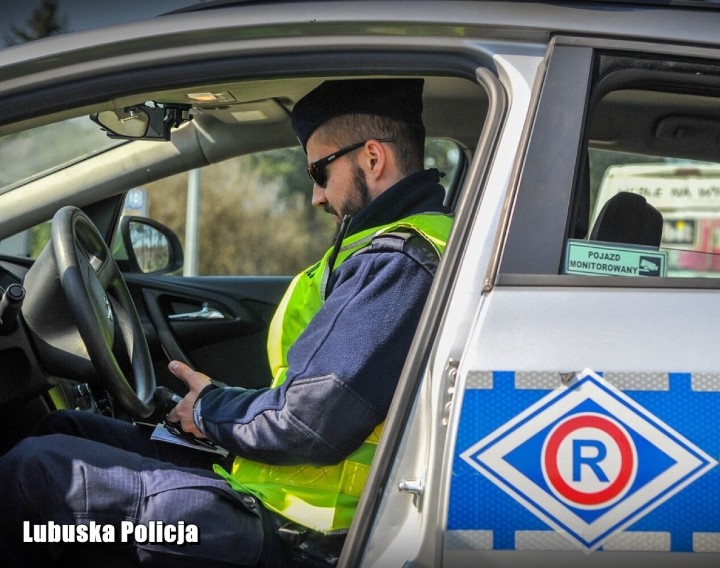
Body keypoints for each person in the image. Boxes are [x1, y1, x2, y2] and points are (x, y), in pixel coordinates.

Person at [0, 78, 453, 567]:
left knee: (34, 476)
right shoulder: (390, 247)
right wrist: (214, 407)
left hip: (301, 533)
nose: (316, 198)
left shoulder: (399, 261)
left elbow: (307, 421)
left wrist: (210, 412)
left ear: (371, 157)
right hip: (280, 486)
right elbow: (311, 400)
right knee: (62, 427)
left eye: (319, 172)